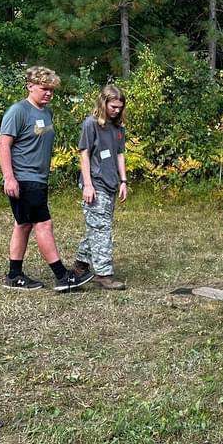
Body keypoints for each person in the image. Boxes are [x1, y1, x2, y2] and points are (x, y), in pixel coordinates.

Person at [0, 66, 95, 292]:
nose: (49, 93)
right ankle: (63, 277)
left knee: (23, 225)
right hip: (24, 178)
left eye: (51, 90)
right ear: (30, 86)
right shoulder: (18, 111)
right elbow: (3, 145)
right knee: (44, 224)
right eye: (44, 88)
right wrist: (9, 178)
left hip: (38, 179)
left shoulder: (46, 112)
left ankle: (14, 275)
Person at [74, 84, 130, 290]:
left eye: (120, 107)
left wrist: (123, 181)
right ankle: (103, 274)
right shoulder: (91, 124)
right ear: (104, 103)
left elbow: (120, 154)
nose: (116, 110)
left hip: (111, 183)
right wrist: (88, 185)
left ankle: (80, 265)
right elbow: (84, 154)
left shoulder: (118, 127)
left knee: (98, 227)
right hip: (95, 184)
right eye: (113, 106)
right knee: (101, 228)